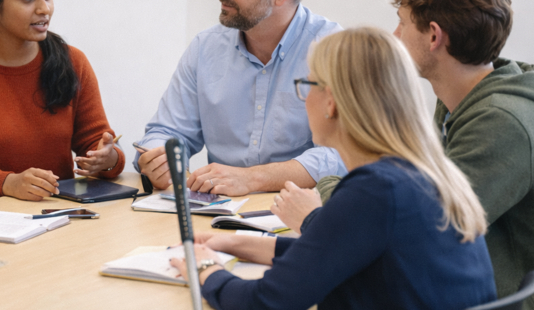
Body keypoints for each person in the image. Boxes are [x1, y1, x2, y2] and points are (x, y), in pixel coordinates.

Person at [169, 27, 496, 309]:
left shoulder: (375, 189)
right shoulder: (423, 174)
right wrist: (234, 243)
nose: (303, 97)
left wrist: (205, 268)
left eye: (306, 84)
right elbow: (328, 253)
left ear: (331, 102)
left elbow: (264, 302)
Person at [287, 0, 534, 305]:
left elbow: (418, 229)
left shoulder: (501, 121)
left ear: (434, 36)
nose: (394, 35)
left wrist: (320, 208)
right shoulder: (459, 103)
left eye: (402, 22)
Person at [134, 0, 346, 197]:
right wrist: (162, 159)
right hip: (217, 211)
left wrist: (254, 178)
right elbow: (167, 131)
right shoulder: (205, 47)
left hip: (300, 215)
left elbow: (344, 154)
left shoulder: (337, 51)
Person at [0, 0, 125, 202]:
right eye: (28, 0)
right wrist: (8, 183)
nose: (45, 9)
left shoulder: (73, 61)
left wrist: (108, 159)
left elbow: (97, 145)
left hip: (62, 214)